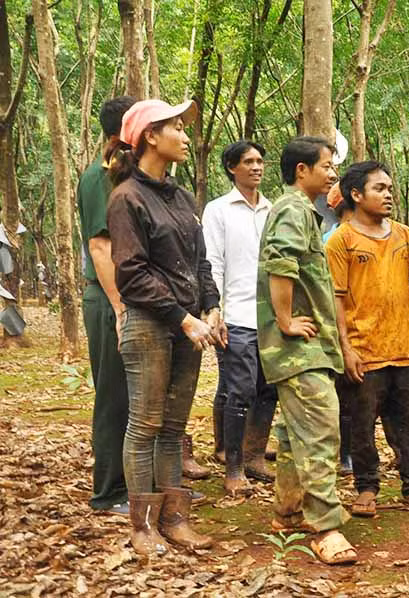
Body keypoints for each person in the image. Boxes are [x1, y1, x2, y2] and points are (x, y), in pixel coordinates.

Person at [107, 99, 224, 556]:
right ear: (149, 137)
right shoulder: (126, 198)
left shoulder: (182, 197)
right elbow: (132, 274)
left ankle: (176, 520)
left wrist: (211, 306)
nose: (185, 133)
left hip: (188, 326)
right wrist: (183, 316)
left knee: (174, 428)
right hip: (150, 325)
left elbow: (200, 260)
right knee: (146, 424)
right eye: (175, 126)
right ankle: (142, 527)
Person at [325, 161, 409, 518]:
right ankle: (366, 487)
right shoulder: (341, 241)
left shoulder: (404, 235)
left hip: (407, 348)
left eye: (390, 189)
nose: (388, 195)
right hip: (364, 351)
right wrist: (345, 348)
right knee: (361, 422)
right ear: (356, 194)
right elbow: (335, 296)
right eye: (379, 188)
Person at [256, 136, 356, 565]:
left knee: (295, 434)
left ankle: (289, 511)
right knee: (320, 430)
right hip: (297, 347)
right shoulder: (294, 209)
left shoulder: (301, 211)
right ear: (302, 170)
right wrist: (284, 321)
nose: (333, 173)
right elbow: (281, 262)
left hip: (307, 348)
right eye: (327, 166)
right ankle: (325, 527)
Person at [202, 140, 277, 496]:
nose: (257, 167)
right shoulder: (218, 210)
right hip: (235, 315)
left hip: (271, 317)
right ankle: (232, 468)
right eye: (248, 161)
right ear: (232, 167)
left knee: (268, 388)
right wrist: (215, 310)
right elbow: (212, 262)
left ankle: (255, 456)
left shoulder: (271, 210)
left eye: (260, 161)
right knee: (239, 390)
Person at [77, 95, 136, 515]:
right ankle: (109, 492)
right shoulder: (99, 179)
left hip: (131, 299)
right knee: (114, 397)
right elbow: (100, 247)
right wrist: (119, 309)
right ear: (122, 133)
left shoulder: (126, 178)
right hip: (108, 299)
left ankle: (140, 485)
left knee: (138, 398)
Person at [323, 182, 355, 475]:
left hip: (365, 328)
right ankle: (344, 455)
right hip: (340, 328)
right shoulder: (332, 241)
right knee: (345, 395)